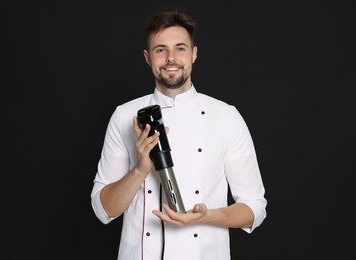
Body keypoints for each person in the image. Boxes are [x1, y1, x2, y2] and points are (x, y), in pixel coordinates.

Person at [90, 9, 267, 260]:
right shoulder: (123, 115)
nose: (171, 58)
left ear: (194, 54)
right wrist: (140, 168)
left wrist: (208, 216)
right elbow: (102, 209)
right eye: (160, 49)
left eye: (180, 48)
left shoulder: (226, 116)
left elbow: (255, 208)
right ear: (147, 57)